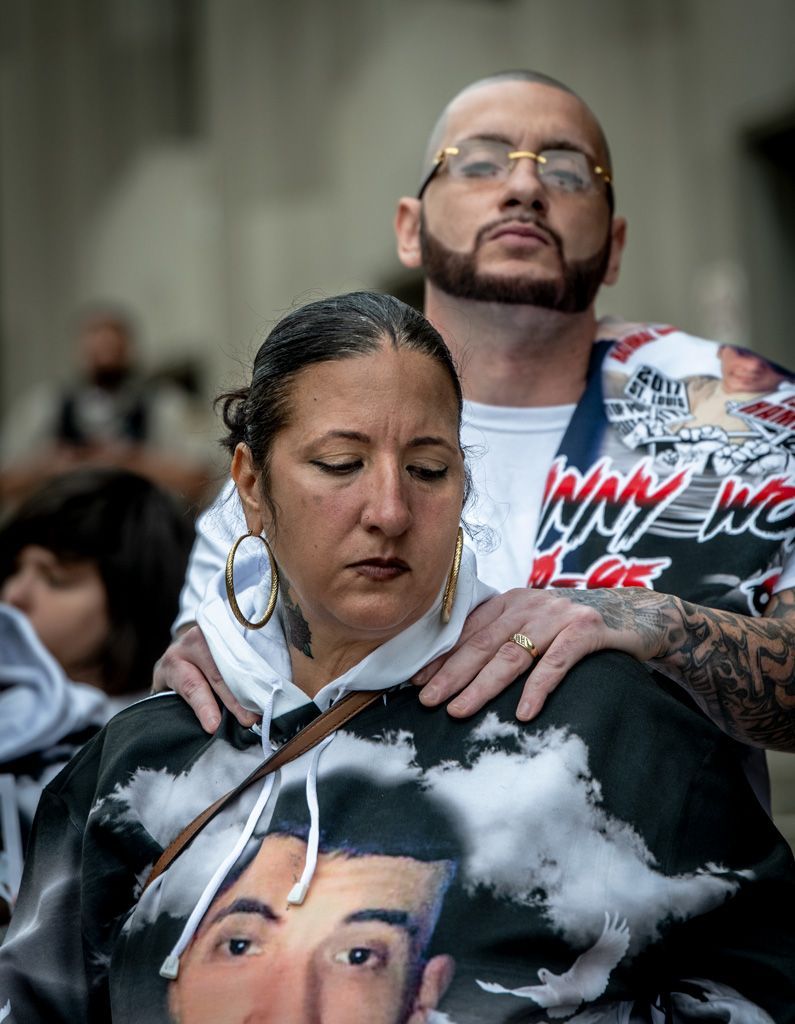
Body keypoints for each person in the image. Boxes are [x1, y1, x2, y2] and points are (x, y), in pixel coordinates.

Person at [1, 293, 793, 1022]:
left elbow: (761, 983)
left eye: (428, 470)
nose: (388, 510)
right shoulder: (137, 765)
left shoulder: (603, 726)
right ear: (250, 483)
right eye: (340, 465)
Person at [154, 71, 795, 761]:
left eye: (569, 172)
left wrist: (653, 620)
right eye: (480, 162)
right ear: (409, 228)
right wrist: (195, 668)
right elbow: (204, 673)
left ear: (612, 246)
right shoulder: (304, 435)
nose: (523, 188)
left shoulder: (745, 413)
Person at [0, 468, 194, 914]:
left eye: (55, 578)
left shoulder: (161, 752)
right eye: (12, 570)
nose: (15, 595)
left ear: (133, 600)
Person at [0, 306, 214, 507]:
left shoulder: (166, 405)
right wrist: (54, 465)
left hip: (144, 533)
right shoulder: (43, 406)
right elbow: (7, 482)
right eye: (97, 345)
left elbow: (200, 478)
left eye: (113, 346)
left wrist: (128, 460)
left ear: (130, 348)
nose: (105, 352)